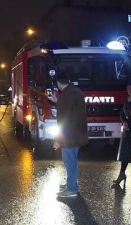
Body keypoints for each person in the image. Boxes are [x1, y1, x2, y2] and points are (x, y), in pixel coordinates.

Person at [49, 70, 88, 198]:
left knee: (70, 163)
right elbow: (73, 111)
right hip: (77, 134)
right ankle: (72, 186)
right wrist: (57, 101)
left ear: (59, 83)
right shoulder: (76, 92)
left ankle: (71, 189)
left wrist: (57, 139)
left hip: (69, 137)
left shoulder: (66, 95)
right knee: (73, 162)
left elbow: (63, 120)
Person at [113, 81, 131, 185]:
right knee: (125, 154)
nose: (129, 90)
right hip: (127, 130)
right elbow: (121, 113)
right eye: (127, 88)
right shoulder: (126, 100)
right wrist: (124, 121)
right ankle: (121, 174)